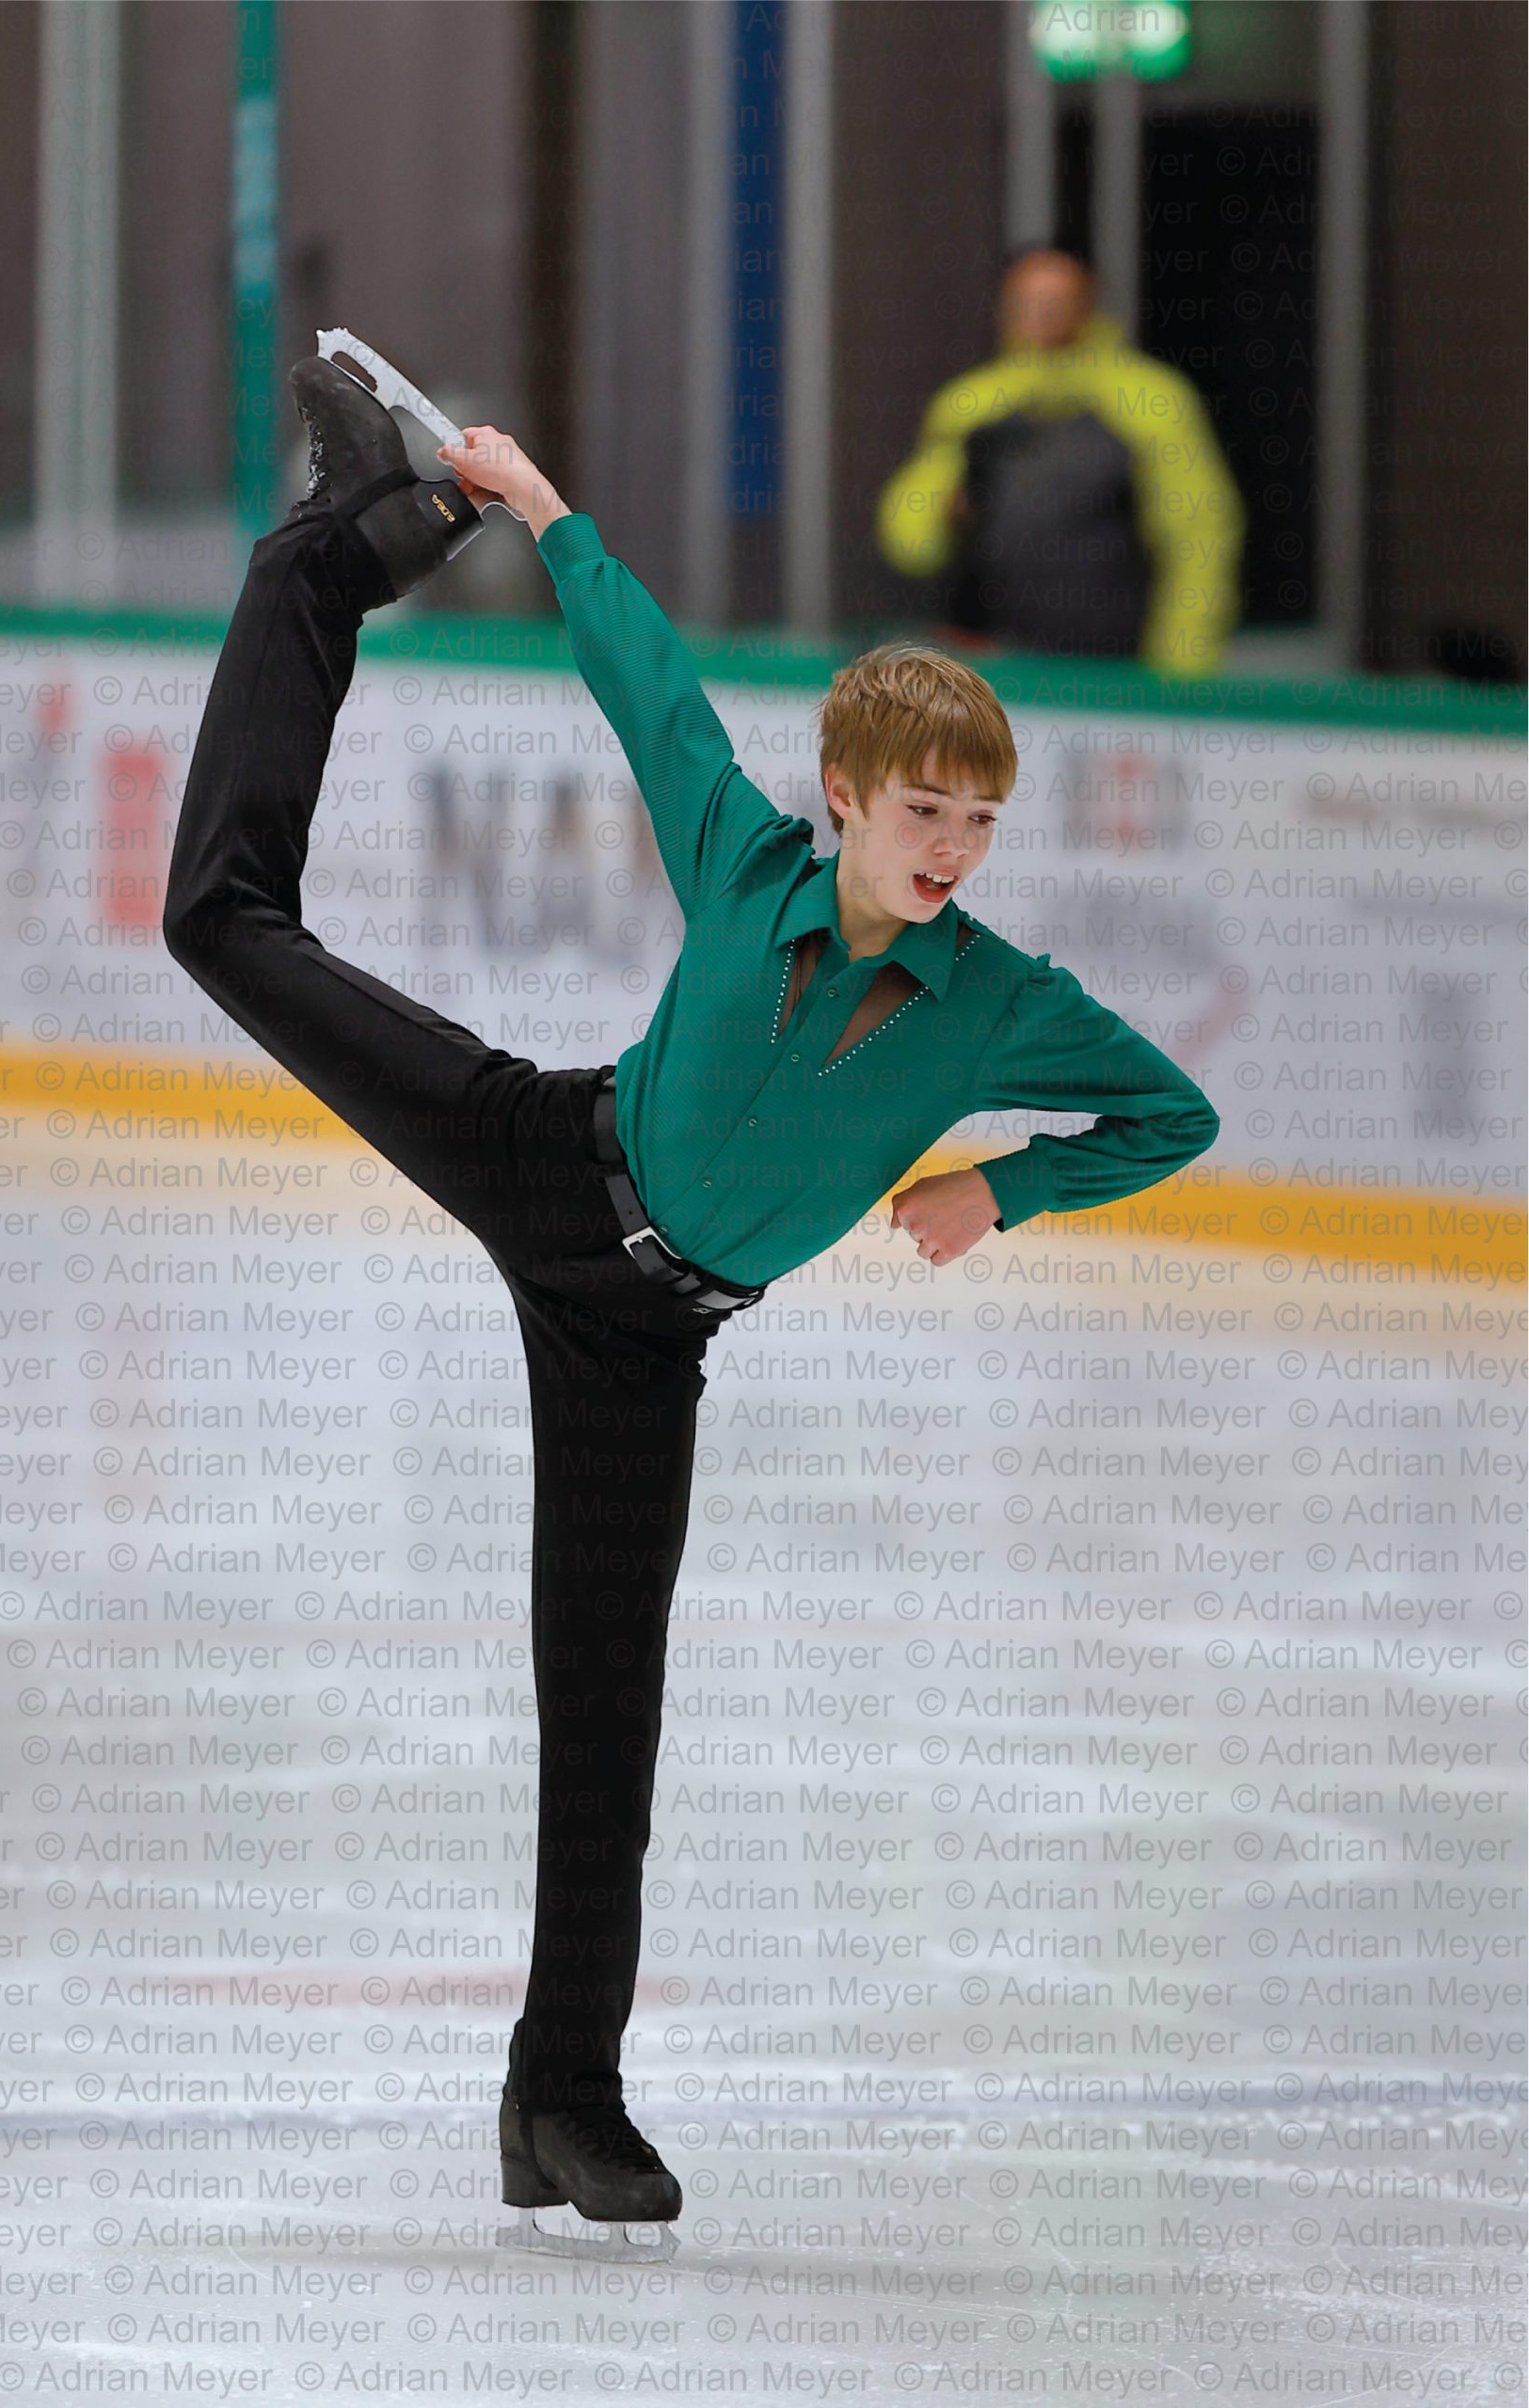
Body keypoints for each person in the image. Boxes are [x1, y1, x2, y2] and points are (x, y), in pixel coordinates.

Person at [163, 356, 1219, 2257]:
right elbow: (643, 678)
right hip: (544, 1155)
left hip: (648, 1330)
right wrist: (545, 514)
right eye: (920, 811)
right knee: (222, 924)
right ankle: (332, 555)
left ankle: (556, 2091)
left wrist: (1011, 1179)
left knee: (606, 1702)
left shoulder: (1002, 1001)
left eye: (975, 821)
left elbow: (1172, 1107)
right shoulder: (745, 859)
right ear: (840, 799)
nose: (950, 849)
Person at [875, 245, 1246, 678]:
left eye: (1059, 299)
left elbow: (1199, 539)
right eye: (1029, 300)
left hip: (1111, 668)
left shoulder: (1148, 400)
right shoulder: (974, 404)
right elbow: (910, 541)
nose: (1044, 313)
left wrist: (1181, 666)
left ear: (1088, 303)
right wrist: (945, 512)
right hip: (990, 664)